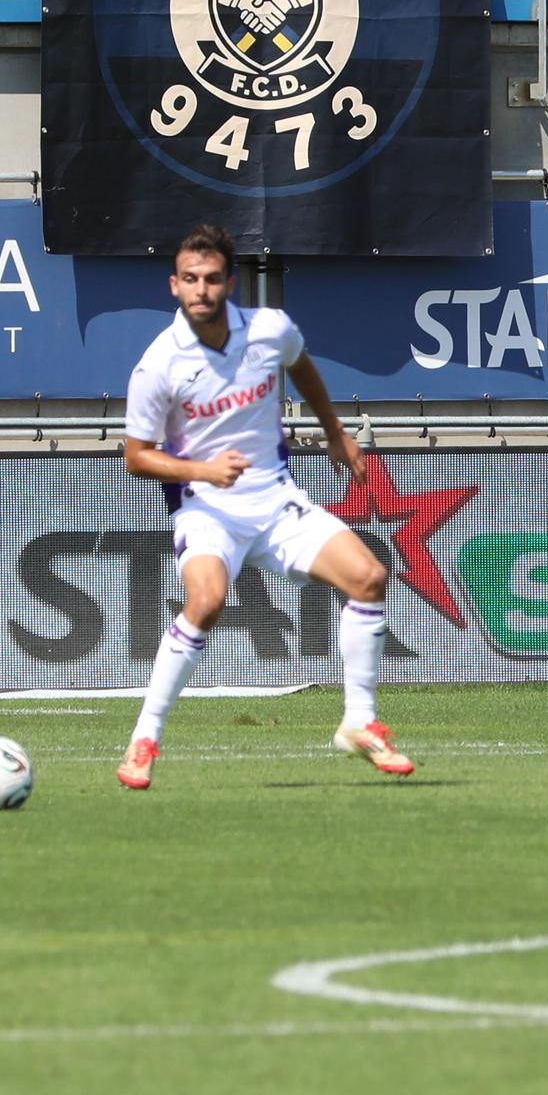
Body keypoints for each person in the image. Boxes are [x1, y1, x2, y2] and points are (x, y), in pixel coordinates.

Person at [114, 223, 410, 792]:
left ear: (230, 282)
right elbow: (135, 457)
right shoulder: (159, 365)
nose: (202, 289)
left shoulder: (269, 329)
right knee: (207, 601)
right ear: (174, 285)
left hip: (276, 500)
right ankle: (145, 737)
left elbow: (301, 367)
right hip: (206, 509)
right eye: (191, 279)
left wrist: (335, 433)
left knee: (370, 577)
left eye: (213, 279)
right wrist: (202, 469)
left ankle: (359, 721)